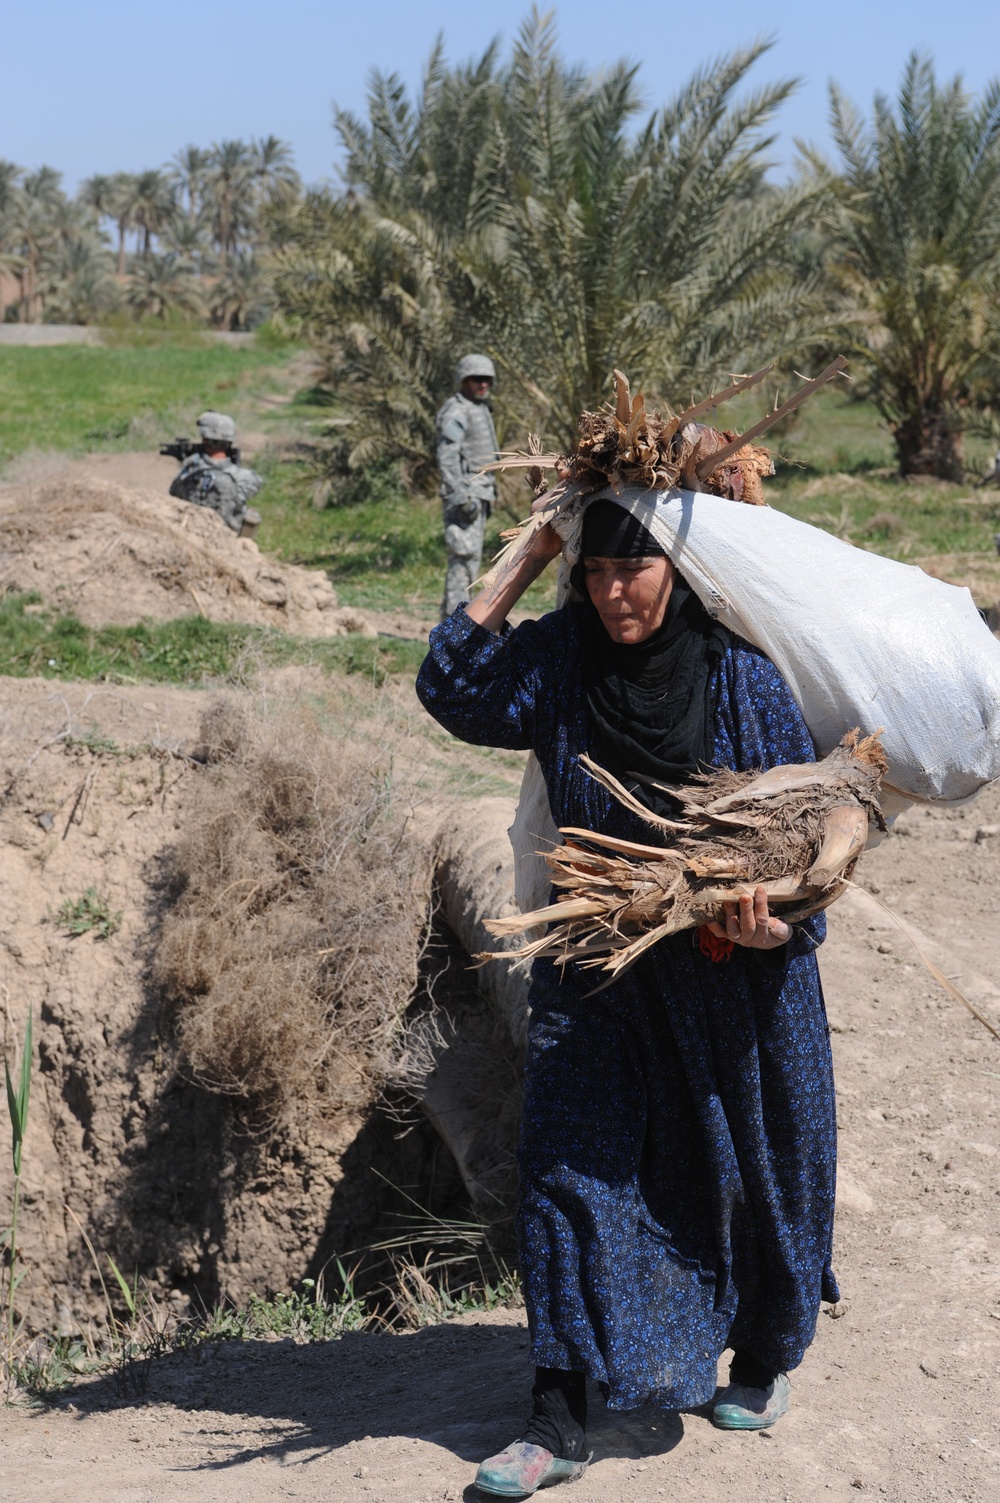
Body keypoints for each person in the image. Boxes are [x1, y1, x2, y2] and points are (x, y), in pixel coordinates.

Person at [415, 498, 839, 1498]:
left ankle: (767, 1354)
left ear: (679, 571)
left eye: (633, 571)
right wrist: (528, 555)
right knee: (567, 1174)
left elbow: (813, 847)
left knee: (757, 1175)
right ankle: (556, 1422)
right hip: (595, 962)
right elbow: (452, 685)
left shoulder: (743, 676)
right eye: (594, 571)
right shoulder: (562, 660)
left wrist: (774, 924)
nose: (612, 593)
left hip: (737, 978)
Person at [436, 354, 499, 619]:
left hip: (477, 496)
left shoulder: (478, 407)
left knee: (469, 562)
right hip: (466, 499)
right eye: (477, 379)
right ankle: (453, 631)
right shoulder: (457, 409)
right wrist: (462, 498)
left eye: (487, 379)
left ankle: (451, 626)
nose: (483, 384)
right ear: (464, 380)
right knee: (462, 562)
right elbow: (447, 458)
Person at [168, 411, 264, 536]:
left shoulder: (189, 473)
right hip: (228, 542)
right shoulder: (245, 478)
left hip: (190, 538)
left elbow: (174, 494)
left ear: (207, 440)